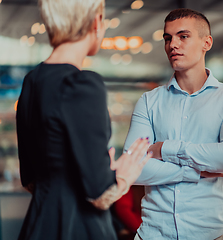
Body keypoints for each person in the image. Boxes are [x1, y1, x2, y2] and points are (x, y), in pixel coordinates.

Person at [15, 0, 152, 239]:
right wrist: (124, 174)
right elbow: (100, 192)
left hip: (38, 224)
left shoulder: (32, 81)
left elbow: (29, 179)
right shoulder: (83, 85)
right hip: (78, 227)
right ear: (96, 22)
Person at [123, 8, 223, 240]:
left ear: (207, 43)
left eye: (183, 36)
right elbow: (132, 167)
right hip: (154, 234)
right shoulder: (149, 101)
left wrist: (164, 150)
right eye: (168, 38)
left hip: (213, 234)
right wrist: (194, 171)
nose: (173, 44)